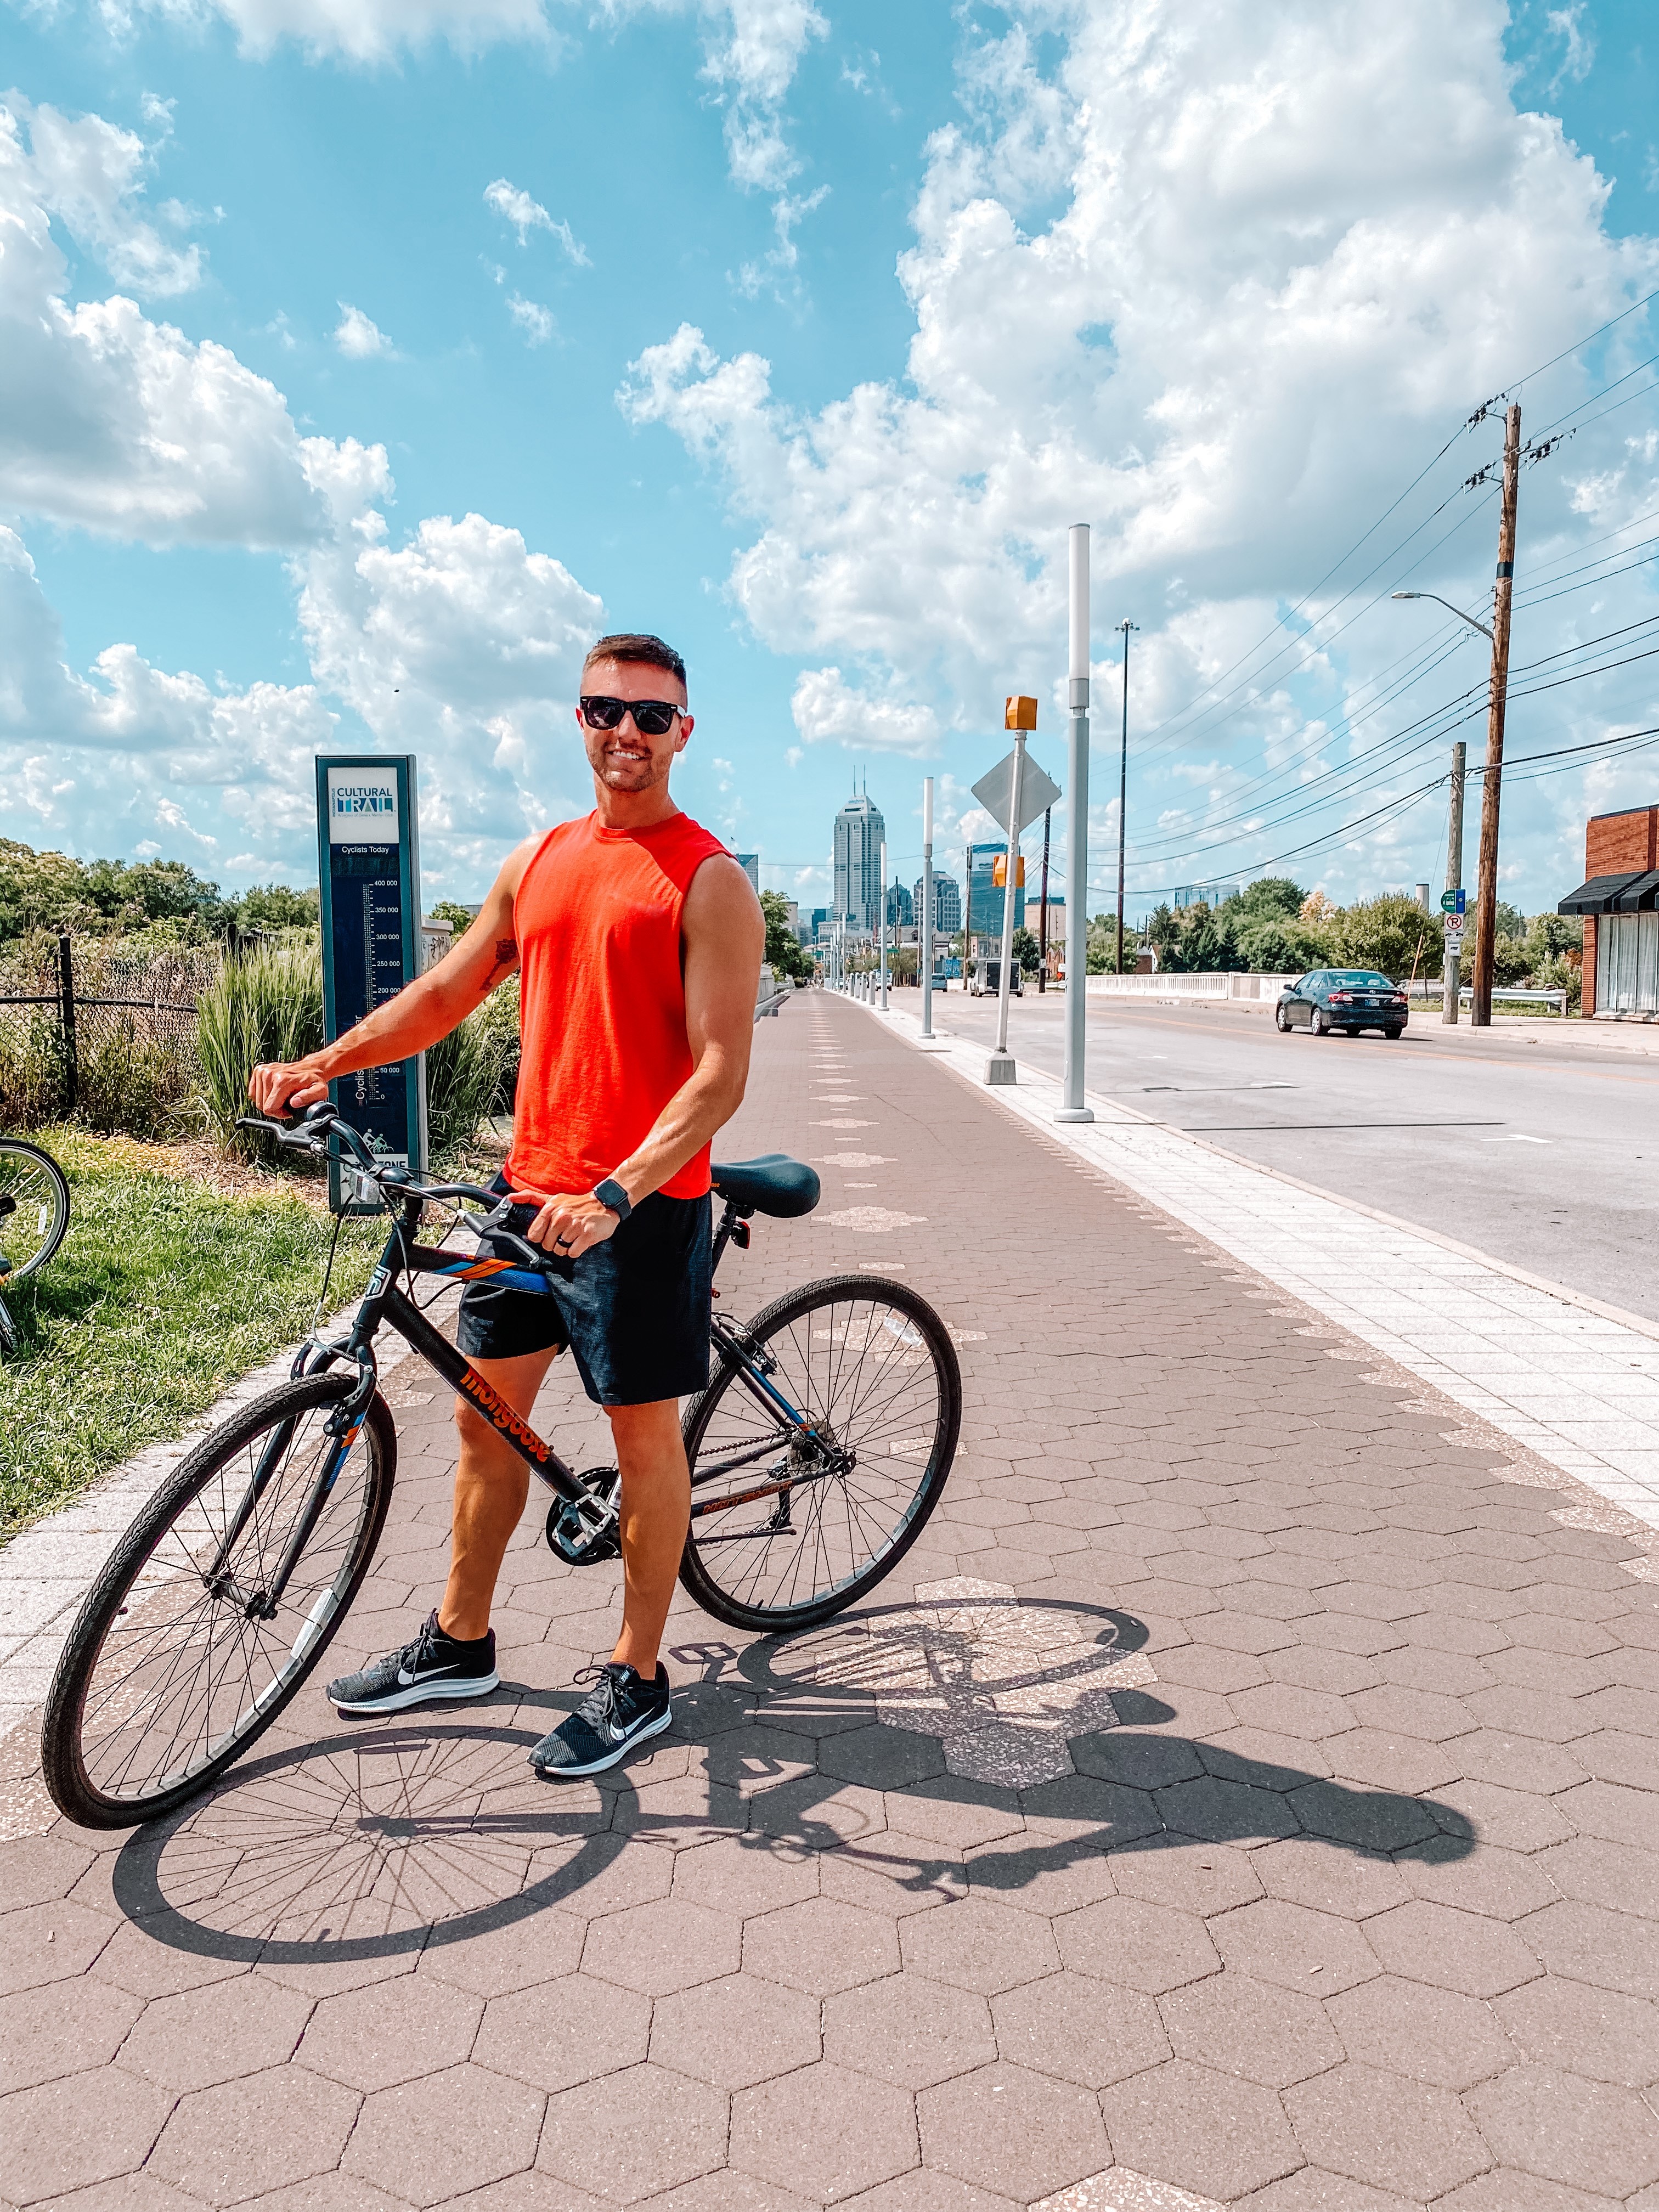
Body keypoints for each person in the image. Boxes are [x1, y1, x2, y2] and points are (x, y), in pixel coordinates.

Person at [248, 633, 764, 1777]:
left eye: (650, 715)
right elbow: (444, 992)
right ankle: (462, 1640)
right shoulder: (537, 862)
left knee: (642, 1444)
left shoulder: (709, 880)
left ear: (685, 732)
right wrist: (324, 1062)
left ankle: (638, 1675)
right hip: (523, 1198)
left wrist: (620, 1190)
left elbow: (719, 1071)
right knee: (483, 1422)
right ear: (578, 719)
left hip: (638, 1207)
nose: (624, 731)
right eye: (603, 709)